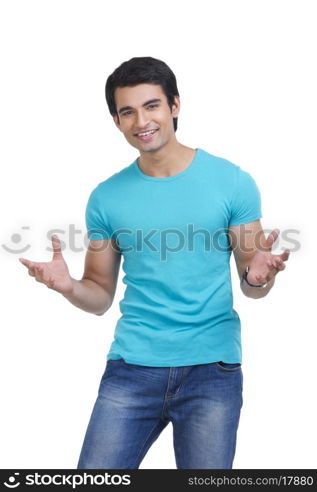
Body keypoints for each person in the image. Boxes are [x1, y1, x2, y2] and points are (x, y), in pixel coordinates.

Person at [19, 56, 290, 469]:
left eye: (151, 106)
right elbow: (99, 294)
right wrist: (70, 286)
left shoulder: (231, 182)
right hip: (131, 368)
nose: (141, 120)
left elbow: (253, 282)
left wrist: (258, 277)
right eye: (127, 111)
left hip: (211, 369)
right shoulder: (107, 197)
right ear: (117, 121)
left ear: (175, 106)